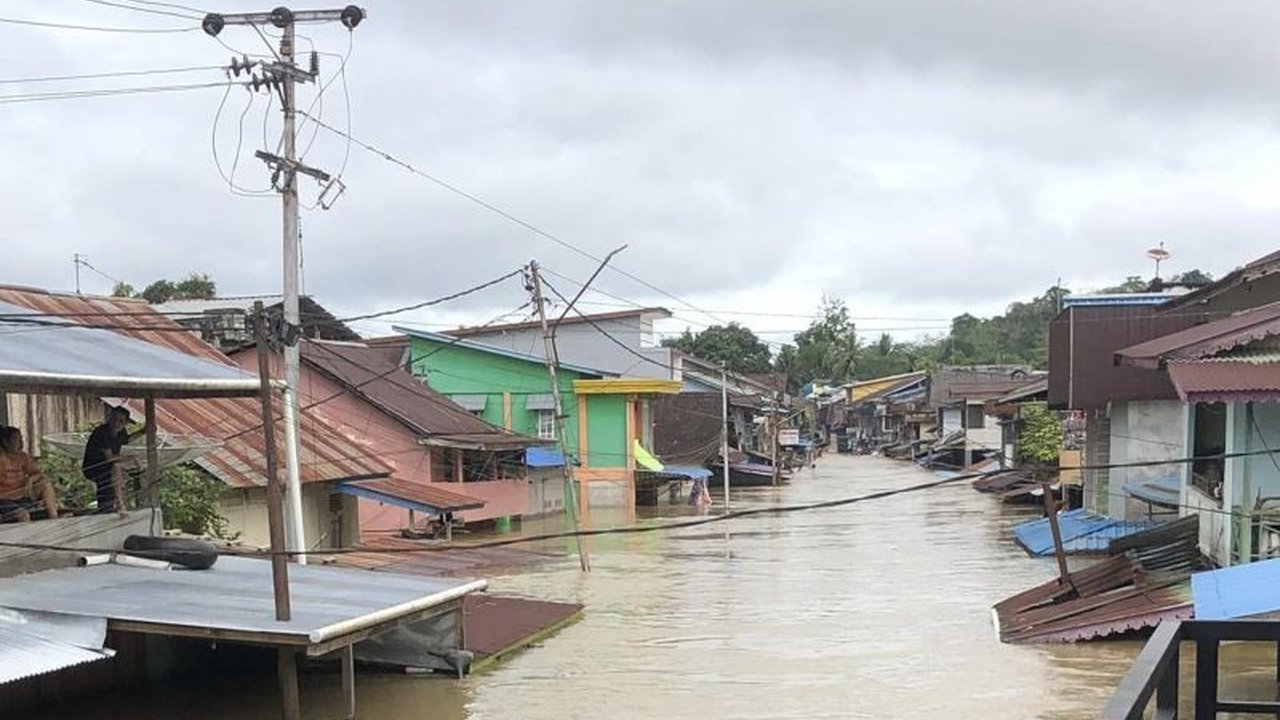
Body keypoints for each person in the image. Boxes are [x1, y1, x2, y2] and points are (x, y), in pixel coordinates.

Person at [82, 407, 141, 515]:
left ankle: (114, 505)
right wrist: (130, 458)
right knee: (115, 469)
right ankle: (118, 504)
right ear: (109, 418)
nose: (116, 423)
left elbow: (127, 440)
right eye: (114, 419)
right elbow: (109, 457)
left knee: (118, 471)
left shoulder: (120, 432)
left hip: (107, 466)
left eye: (120, 421)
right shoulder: (102, 432)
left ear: (125, 423)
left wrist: (143, 431)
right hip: (94, 467)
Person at [0, 426, 59, 523]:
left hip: (23, 495)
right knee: (23, 514)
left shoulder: (23, 456)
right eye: (16, 439)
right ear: (5, 443)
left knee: (45, 484)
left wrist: (31, 479)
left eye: (21, 438)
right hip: (5, 500)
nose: (21, 442)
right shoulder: (1, 458)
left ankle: (54, 519)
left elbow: (40, 474)